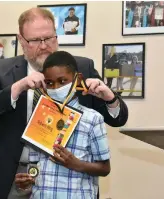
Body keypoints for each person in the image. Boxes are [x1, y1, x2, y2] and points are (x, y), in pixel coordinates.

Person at [0, 7, 128, 199]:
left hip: (67, 180)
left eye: (49, 38)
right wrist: (17, 88)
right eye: (35, 40)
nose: (44, 45)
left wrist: (109, 97)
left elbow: (118, 119)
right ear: (21, 41)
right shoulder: (4, 69)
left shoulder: (81, 67)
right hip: (13, 176)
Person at [15, 51, 111, 199]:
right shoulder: (39, 116)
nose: (56, 87)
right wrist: (28, 181)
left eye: (62, 81)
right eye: (49, 83)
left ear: (77, 79)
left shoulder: (92, 119)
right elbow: (35, 165)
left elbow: (105, 168)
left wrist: (77, 164)